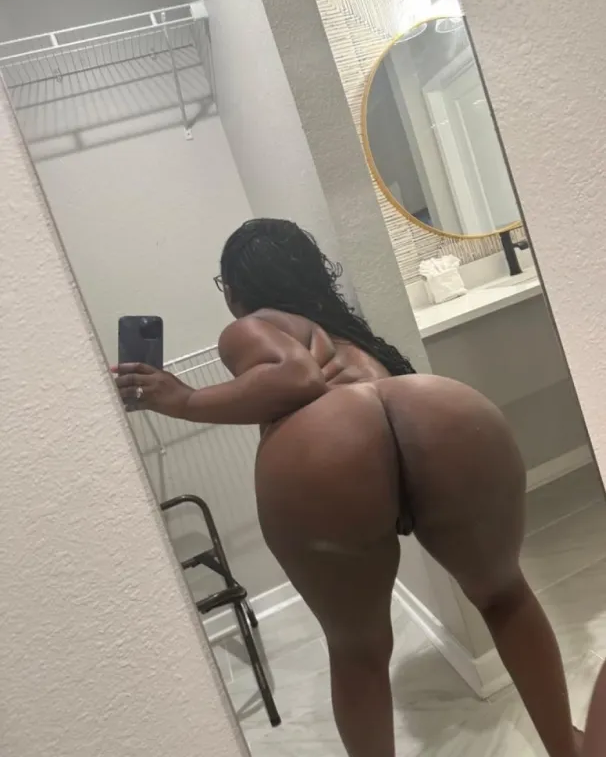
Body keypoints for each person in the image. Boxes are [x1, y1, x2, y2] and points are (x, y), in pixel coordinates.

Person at [114, 218, 581, 757]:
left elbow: (297, 379)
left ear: (236, 289)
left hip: (331, 450)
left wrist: (184, 400)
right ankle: (567, 747)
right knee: (504, 595)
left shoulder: (250, 327)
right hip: (442, 410)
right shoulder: (345, 333)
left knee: (357, 649)